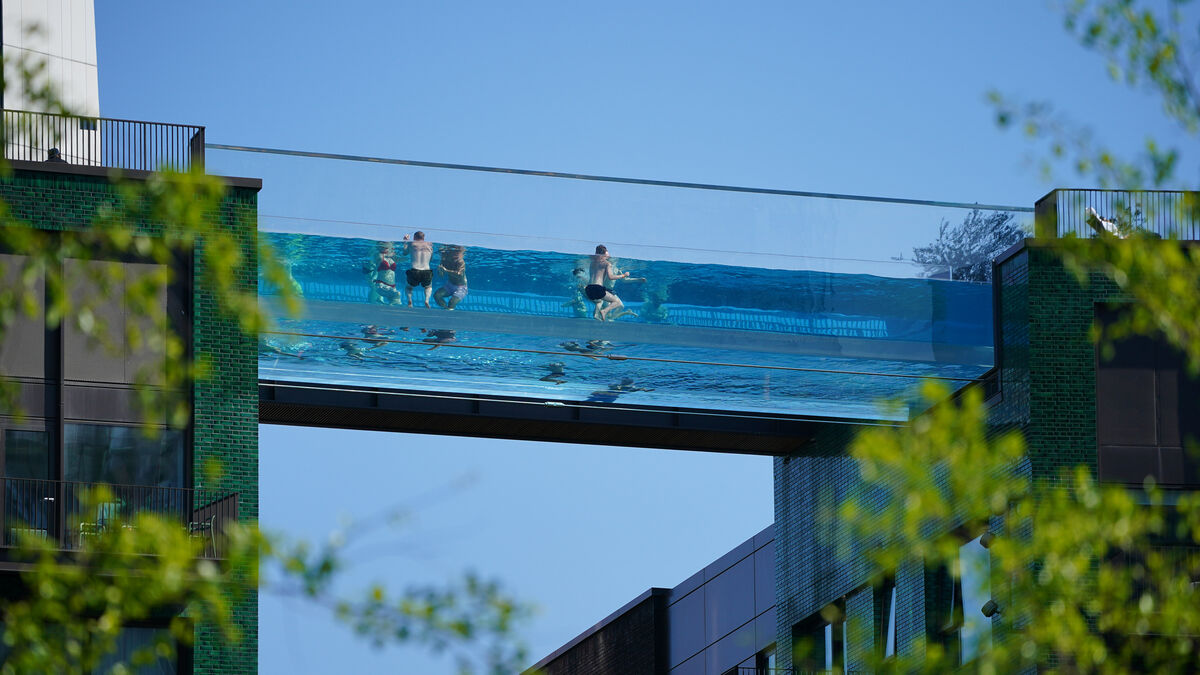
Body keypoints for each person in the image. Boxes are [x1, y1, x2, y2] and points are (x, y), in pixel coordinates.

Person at [586, 245, 645, 321]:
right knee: (617, 302)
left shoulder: (592, 263)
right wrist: (624, 275)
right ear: (604, 254)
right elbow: (611, 277)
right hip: (598, 288)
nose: (609, 257)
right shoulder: (607, 263)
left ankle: (597, 314)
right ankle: (604, 311)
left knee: (599, 301)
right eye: (607, 255)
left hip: (588, 289)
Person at [402, 231, 434, 307]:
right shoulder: (430, 245)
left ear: (414, 237)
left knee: (409, 287)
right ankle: (426, 300)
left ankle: (410, 300)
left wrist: (405, 241)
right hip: (426, 271)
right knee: (428, 287)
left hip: (414, 270)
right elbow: (431, 259)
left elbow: (404, 253)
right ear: (423, 238)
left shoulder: (411, 243)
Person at [433, 245, 468, 309]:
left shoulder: (460, 262)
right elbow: (441, 275)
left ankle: (449, 310)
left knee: (452, 302)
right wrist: (440, 270)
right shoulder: (444, 260)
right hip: (449, 285)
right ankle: (446, 309)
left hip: (461, 287)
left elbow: (459, 275)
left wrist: (446, 270)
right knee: (437, 295)